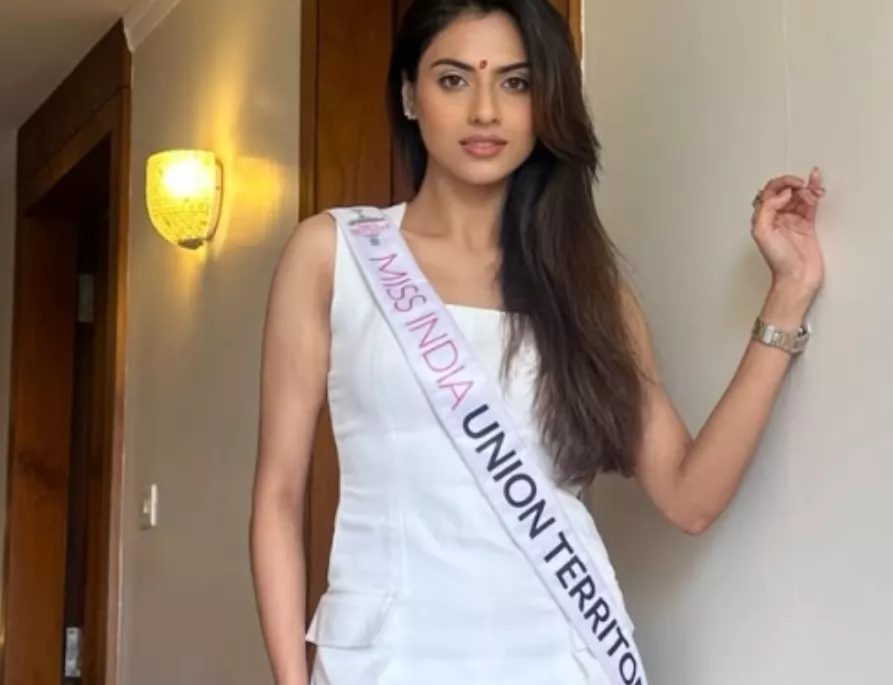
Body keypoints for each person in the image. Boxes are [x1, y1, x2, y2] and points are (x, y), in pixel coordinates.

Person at [249, 0, 826, 683]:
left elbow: (689, 496)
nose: (485, 111)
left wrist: (788, 293)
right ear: (408, 94)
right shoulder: (335, 254)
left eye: (516, 83)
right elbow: (279, 496)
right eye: (454, 79)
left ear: (545, 104)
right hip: (385, 658)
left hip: (560, 653)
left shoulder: (588, 288)